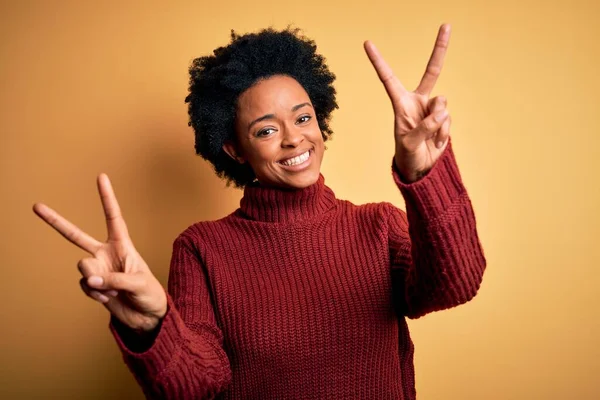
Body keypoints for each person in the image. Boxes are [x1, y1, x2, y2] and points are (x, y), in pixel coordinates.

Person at [33, 23, 486, 399]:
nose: (294, 139)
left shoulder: (378, 225)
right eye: (266, 129)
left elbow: (456, 285)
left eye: (303, 117)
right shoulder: (201, 248)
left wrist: (425, 172)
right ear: (235, 149)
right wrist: (153, 326)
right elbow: (198, 384)